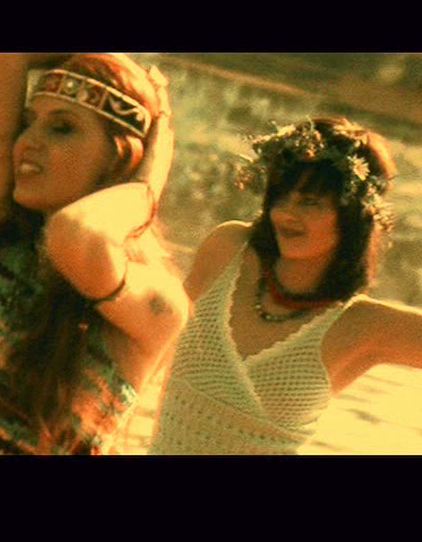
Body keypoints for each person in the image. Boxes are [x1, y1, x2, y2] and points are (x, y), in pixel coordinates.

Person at [0, 53, 189, 455]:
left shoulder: (157, 305)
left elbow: (75, 237)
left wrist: (145, 189)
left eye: (62, 128)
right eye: (29, 122)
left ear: (124, 158)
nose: (27, 142)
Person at [148, 116, 422, 455]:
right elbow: (149, 350)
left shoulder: (360, 326)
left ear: (353, 215)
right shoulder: (228, 250)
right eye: (281, 197)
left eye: (309, 202)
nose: (285, 214)